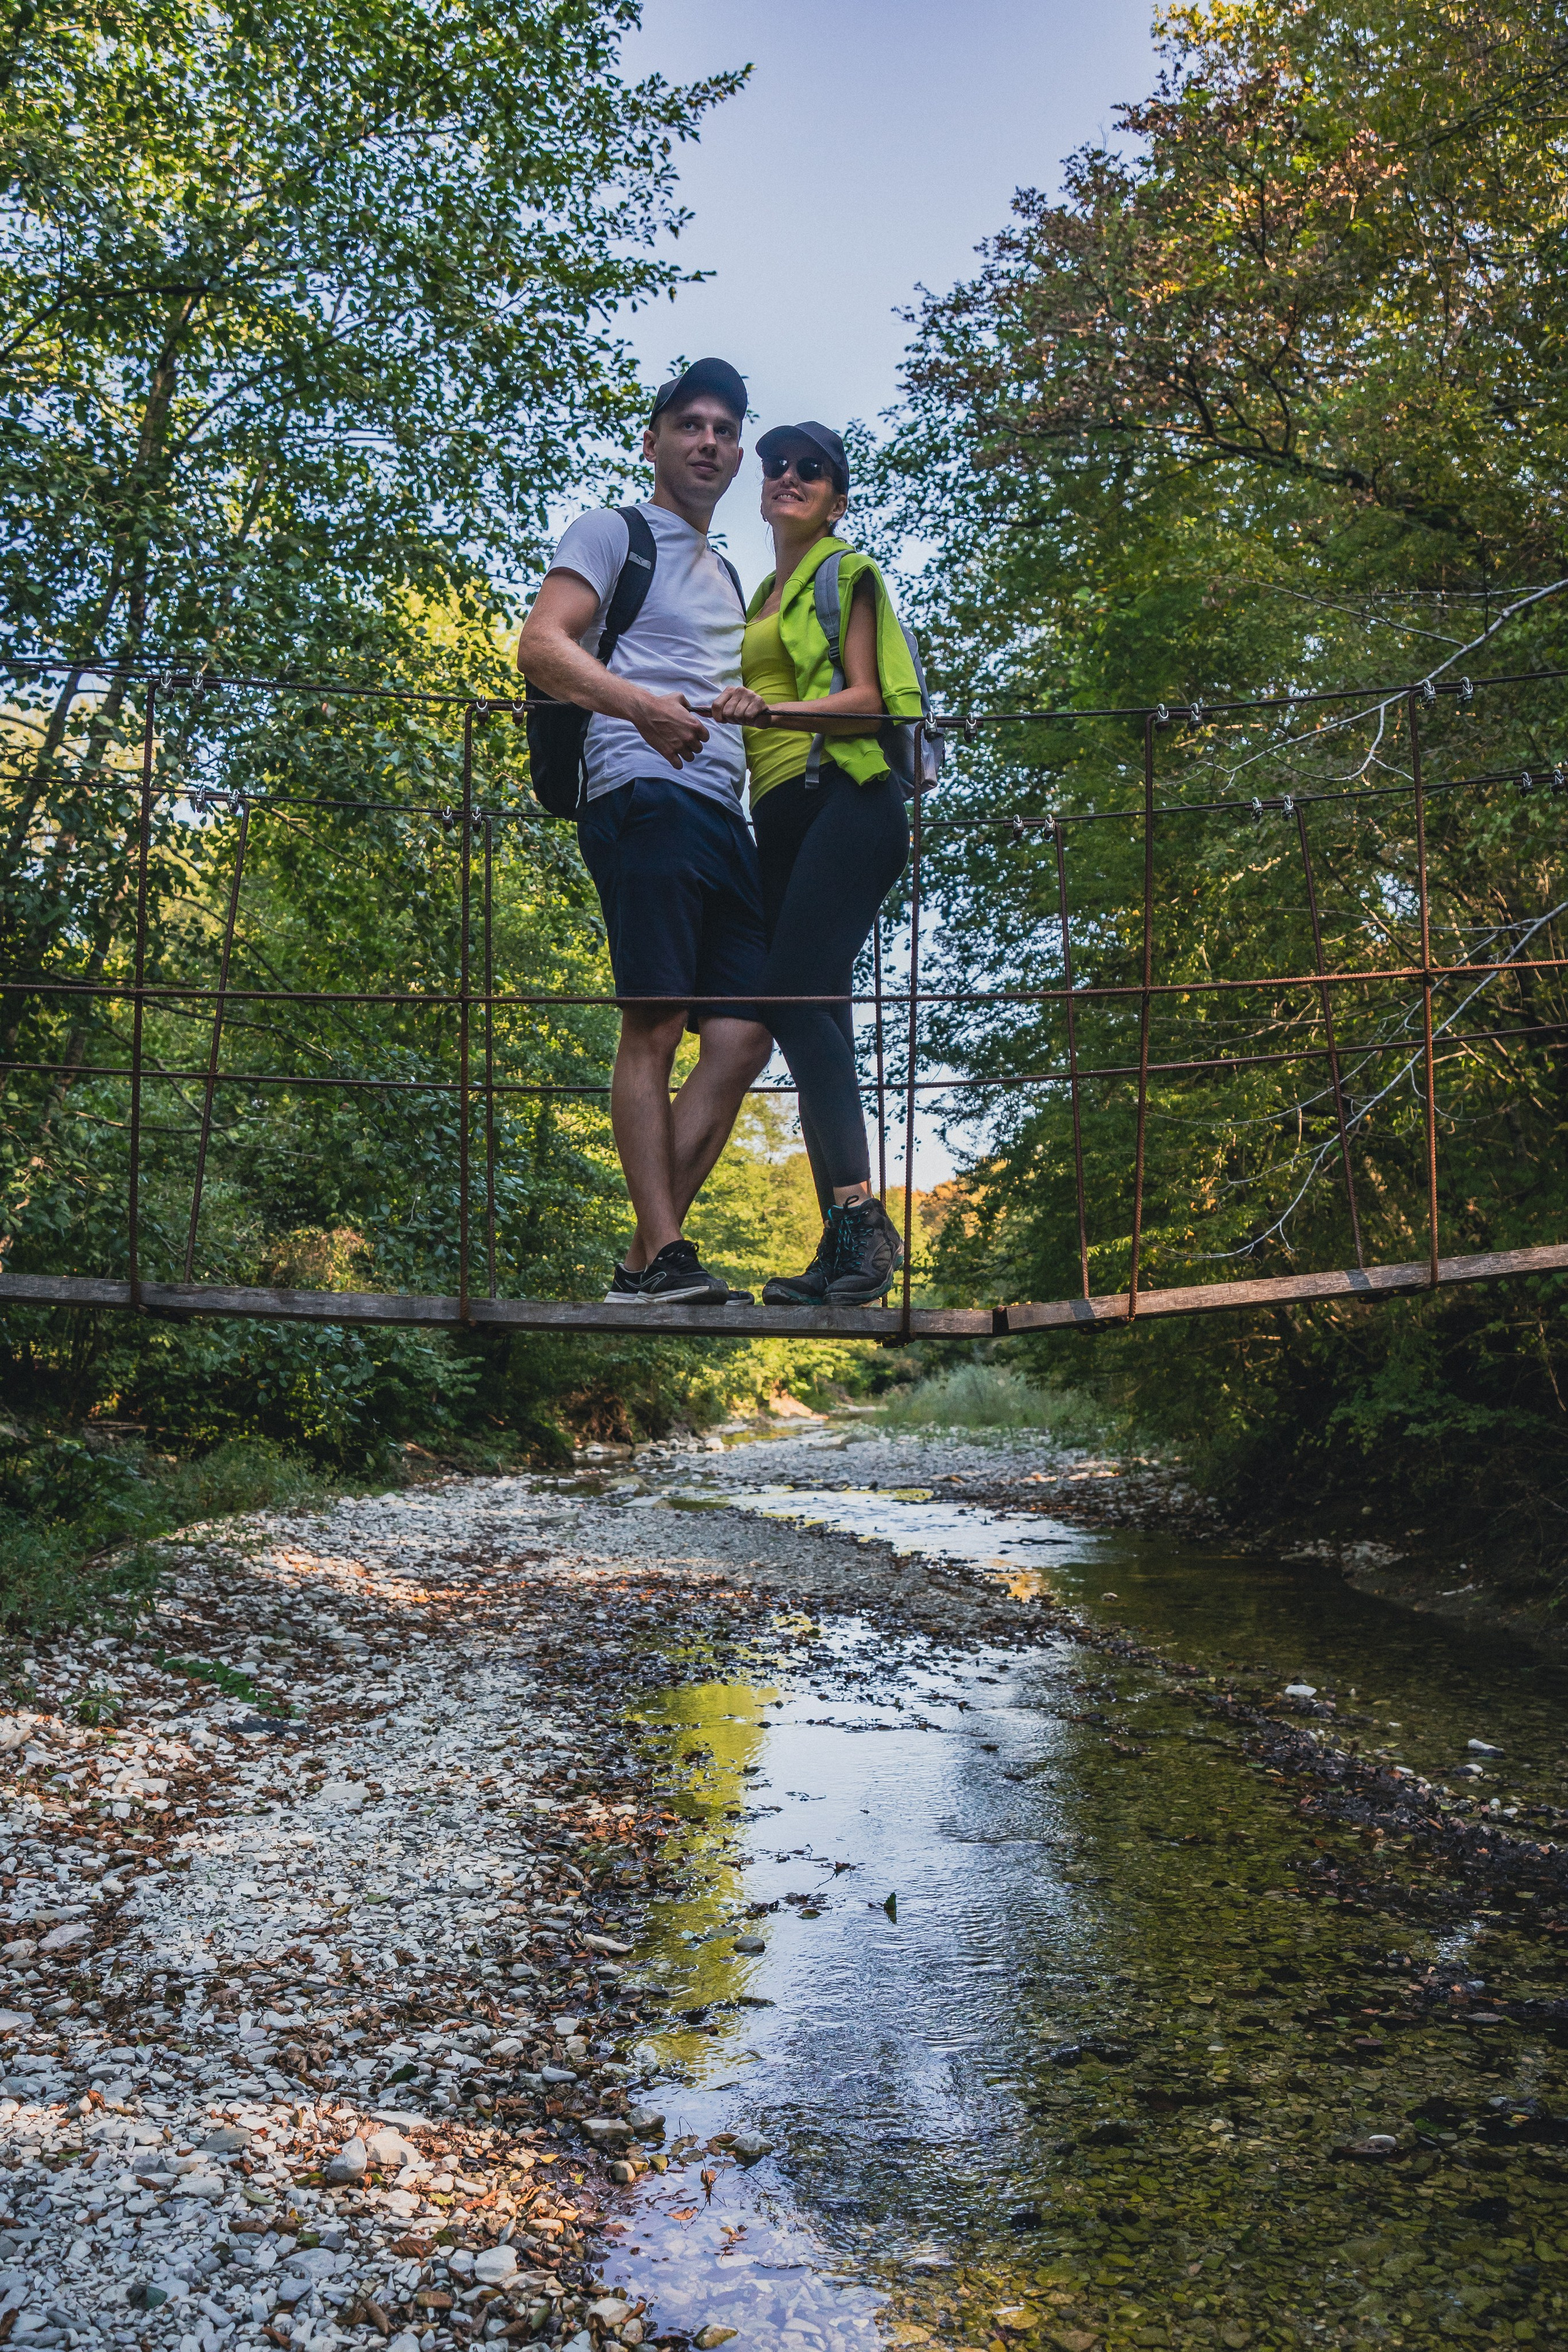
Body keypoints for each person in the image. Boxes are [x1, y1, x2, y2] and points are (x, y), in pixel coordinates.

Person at [516, 358, 772, 1305]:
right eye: (692, 425)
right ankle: (669, 1255)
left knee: (746, 1037)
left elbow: (714, 677)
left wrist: (741, 705)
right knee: (657, 1023)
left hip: (722, 807)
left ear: (738, 452)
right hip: (639, 792)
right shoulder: (613, 530)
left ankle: (641, 1264)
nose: (710, 442)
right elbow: (541, 645)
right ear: (655, 439)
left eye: (725, 430)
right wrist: (641, 712)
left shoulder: (734, 573)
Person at [707, 422, 922, 1305]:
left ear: (836, 497)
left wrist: (771, 713)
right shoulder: (761, 592)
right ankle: (839, 1250)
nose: (788, 477)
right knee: (815, 1019)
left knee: (788, 998)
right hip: (781, 819)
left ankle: (863, 1222)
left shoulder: (845, 573)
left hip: (850, 797)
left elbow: (870, 702)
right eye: (778, 466)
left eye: (813, 470)